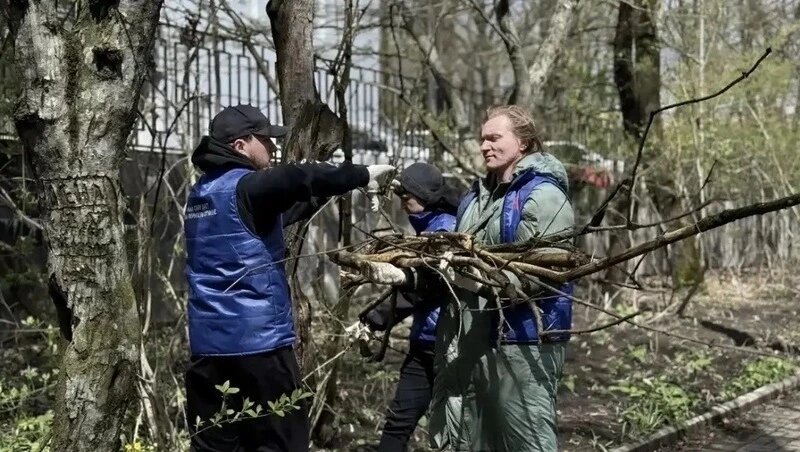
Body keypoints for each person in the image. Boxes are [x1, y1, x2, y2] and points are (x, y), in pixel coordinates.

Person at [362, 105, 575, 451]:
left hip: (522, 342)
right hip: (469, 340)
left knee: (525, 442)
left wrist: (472, 279)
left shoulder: (543, 195)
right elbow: (453, 265)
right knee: (468, 440)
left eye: (494, 137)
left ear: (523, 143)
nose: (485, 146)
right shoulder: (475, 199)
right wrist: (409, 277)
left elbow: (543, 273)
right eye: (482, 139)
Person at [183, 104, 394, 452]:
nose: (273, 146)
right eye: (265, 139)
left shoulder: (201, 196)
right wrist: (360, 174)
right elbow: (296, 178)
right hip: (259, 351)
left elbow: (282, 211)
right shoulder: (248, 187)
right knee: (283, 444)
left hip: (208, 353)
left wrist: (334, 190)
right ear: (240, 146)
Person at [353, 163, 460, 452]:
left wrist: (375, 318)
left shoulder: (446, 231)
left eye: (407, 196)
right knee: (399, 421)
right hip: (424, 344)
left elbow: (423, 287)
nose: (402, 202)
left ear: (424, 197)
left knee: (453, 428)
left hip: (450, 348)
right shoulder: (428, 228)